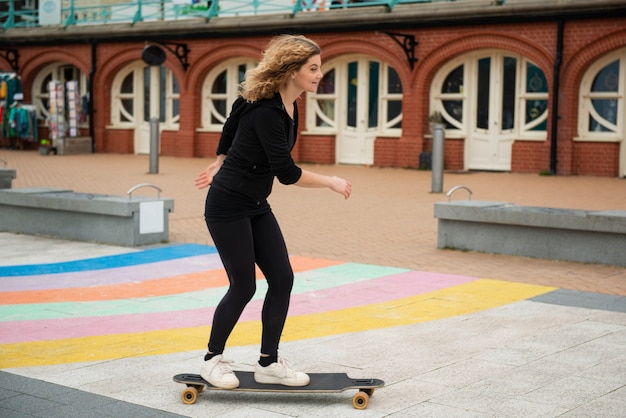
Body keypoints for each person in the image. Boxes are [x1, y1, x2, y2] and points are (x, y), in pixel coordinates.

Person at [194, 34, 352, 390]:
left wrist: (221, 159)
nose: (318, 74)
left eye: (319, 67)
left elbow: (232, 122)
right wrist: (329, 180)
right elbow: (287, 173)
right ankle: (211, 360)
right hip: (227, 205)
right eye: (313, 68)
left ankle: (268, 362)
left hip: (255, 204)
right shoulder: (266, 109)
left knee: (282, 278)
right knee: (244, 285)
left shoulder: (287, 104)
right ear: (292, 70)